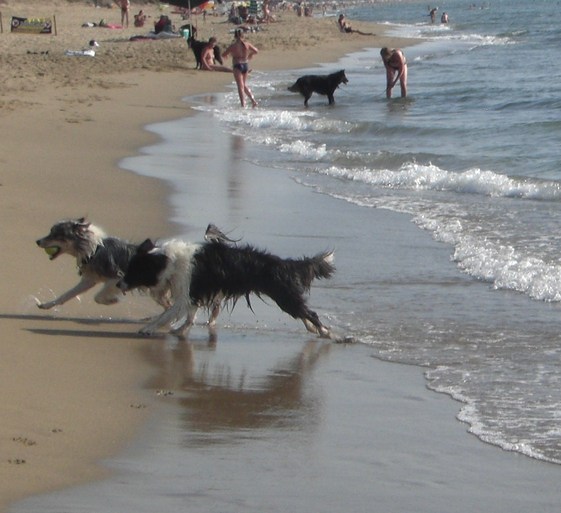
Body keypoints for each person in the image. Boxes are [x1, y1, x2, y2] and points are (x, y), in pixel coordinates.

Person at [222, 29, 259, 107]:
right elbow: (256, 51)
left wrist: (229, 55)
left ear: (235, 36)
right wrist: (250, 55)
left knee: (240, 86)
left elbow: (224, 54)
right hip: (245, 64)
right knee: (244, 84)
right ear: (243, 35)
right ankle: (253, 101)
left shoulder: (233, 46)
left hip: (237, 65)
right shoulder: (247, 44)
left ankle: (243, 104)